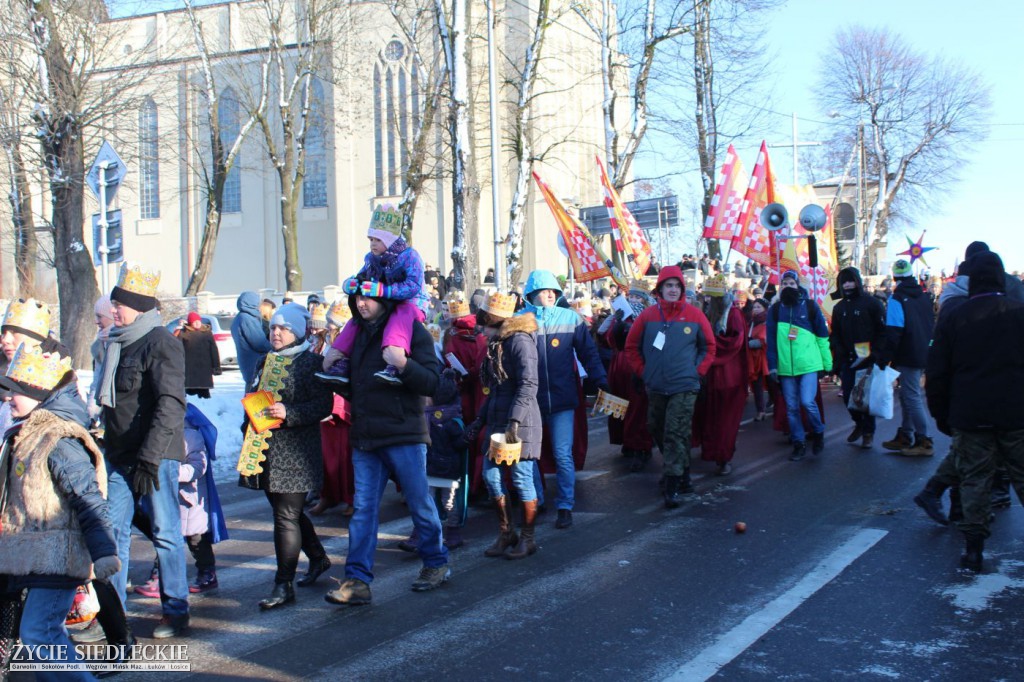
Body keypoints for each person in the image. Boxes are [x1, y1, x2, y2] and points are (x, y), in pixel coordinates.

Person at [324, 280, 448, 607]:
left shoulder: (413, 331)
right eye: (357, 298)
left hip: (403, 433)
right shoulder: (357, 336)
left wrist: (403, 364)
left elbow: (433, 381)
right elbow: (356, 386)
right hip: (366, 437)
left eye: (368, 298)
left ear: (385, 299)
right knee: (363, 510)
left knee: (420, 503)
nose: (361, 304)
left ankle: (435, 562)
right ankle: (357, 580)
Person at [0, 346, 120, 681]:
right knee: (41, 637)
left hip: (59, 555)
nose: (8, 398)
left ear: (37, 394)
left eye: (16, 392)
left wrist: (104, 550)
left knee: (40, 632)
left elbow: (88, 497)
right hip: (32, 554)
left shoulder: (58, 439)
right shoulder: (25, 434)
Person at [925, 251, 1024, 572]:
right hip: (1015, 411)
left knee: (975, 480)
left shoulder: (954, 316)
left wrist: (941, 414)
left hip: (971, 412)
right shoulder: (1019, 313)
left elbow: (938, 372)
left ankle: (973, 549)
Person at [239, 303, 333, 609]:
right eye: (273, 328)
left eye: (283, 328)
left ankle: (283, 584)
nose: (276, 333)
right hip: (264, 449)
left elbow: (323, 406)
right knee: (288, 514)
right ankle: (318, 558)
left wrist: (288, 412)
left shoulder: (311, 363)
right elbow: (254, 394)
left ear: (296, 331)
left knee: (285, 517)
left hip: (296, 453)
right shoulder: (264, 361)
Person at [522, 270, 608, 530]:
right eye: (545, 289)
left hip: (563, 398)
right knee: (530, 456)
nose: (550, 294)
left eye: (554, 291)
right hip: (531, 401)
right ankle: (534, 500)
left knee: (562, 454)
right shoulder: (519, 321)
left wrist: (600, 378)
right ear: (531, 293)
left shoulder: (571, 319)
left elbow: (589, 353)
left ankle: (565, 506)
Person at [625, 265, 716, 508]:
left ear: (682, 289)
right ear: (660, 289)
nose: (673, 290)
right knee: (657, 428)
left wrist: (696, 372)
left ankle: (672, 484)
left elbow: (709, 347)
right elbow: (631, 347)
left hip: (684, 386)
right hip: (655, 386)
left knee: (674, 432)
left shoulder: (695, 316)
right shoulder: (648, 316)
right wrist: (644, 372)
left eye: (677, 286)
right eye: (669, 286)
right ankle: (683, 472)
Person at [320, 204, 429, 387]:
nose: (372, 244)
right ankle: (339, 358)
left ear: (390, 240)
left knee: (400, 316)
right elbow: (361, 276)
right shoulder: (372, 259)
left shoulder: (409, 256)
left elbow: (413, 285)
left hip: (412, 303)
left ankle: (395, 361)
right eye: (371, 239)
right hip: (386, 304)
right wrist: (351, 285)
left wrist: (383, 291)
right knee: (359, 319)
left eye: (377, 239)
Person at [469, 292, 542, 559]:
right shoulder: (496, 343)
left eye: (484, 325)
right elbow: (495, 389)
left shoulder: (520, 341)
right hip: (499, 420)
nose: (481, 330)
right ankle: (506, 532)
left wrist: (515, 421)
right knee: (491, 476)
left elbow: (528, 384)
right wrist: (479, 420)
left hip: (519, 422)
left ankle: (528, 537)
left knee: (522, 479)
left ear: (496, 322)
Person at [767, 270, 832, 462]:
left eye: (791, 283)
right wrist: (772, 366)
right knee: (791, 408)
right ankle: (799, 443)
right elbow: (770, 341)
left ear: (798, 285)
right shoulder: (776, 310)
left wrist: (827, 364)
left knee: (806, 401)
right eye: (784, 283)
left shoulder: (810, 306)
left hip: (809, 365)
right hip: (785, 368)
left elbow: (822, 336)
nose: (788, 286)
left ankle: (818, 431)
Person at [878, 259, 936, 457]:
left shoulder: (897, 299)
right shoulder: (924, 297)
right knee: (907, 395)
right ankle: (906, 434)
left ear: (894, 278)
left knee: (911, 396)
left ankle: (924, 439)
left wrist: (885, 357)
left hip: (907, 353)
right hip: (923, 351)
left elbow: (894, 331)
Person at [694, 276, 748, 476]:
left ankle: (724, 456)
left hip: (728, 376)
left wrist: (714, 341)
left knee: (726, 421)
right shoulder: (706, 313)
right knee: (710, 418)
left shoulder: (732, 314)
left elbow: (734, 342)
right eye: (706, 297)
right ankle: (712, 451)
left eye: (711, 297)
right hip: (709, 374)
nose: (708, 300)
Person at [829, 267, 886, 449]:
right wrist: (838, 351)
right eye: (843, 281)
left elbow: (882, 331)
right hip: (848, 359)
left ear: (857, 281)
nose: (847, 285)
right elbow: (835, 333)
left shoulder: (872, 303)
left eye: (850, 280)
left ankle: (868, 433)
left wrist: (876, 354)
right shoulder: (838, 308)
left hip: (868, 358)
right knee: (847, 396)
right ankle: (859, 423)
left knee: (865, 399)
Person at [602, 280, 655, 471]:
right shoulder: (622, 316)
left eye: (637, 297)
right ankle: (625, 439)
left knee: (638, 408)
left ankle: (641, 445)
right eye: (631, 296)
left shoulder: (650, 317)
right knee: (618, 405)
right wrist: (615, 323)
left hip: (637, 365)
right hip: (619, 365)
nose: (633, 300)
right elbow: (607, 340)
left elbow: (655, 343)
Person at [232, 291, 273, 390]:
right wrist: (274, 347)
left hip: (248, 361)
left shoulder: (240, 317)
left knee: (251, 390)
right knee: (255, 394)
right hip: (254, 362)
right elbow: (259, 342)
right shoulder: (247, 318)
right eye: (258, 302)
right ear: (251, 303)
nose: (259, 305)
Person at [179, 311, 221, 399]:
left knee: (204, 392)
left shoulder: (207, 333)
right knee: (191, 393)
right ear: (190, 323)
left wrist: (216, 366)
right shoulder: (183, 333)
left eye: (199, 321)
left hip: (205, 368)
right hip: (189, 369)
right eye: (195, 321)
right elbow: (177, 350)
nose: (197, 323)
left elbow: (213, 350)